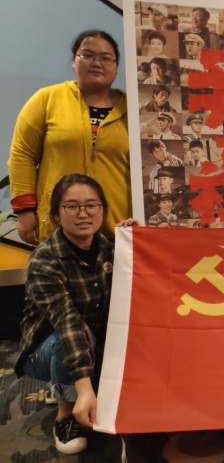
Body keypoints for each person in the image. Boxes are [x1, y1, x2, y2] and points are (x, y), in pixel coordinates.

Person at [14, 174, 138, 454]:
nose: (83, 214)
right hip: (46, 349)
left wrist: (134, 238)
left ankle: (65, 384)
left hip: (95, 342)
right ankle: (65, 416)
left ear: (102, 209)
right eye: (71, 206)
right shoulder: (44, 258)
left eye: (92, 205)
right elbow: (67, 323)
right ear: (56, 215)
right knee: (72, 337)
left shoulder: (111, 247)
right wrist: (83, 389)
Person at [8, 29, 131, 244]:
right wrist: (25, 210)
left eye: (106, 58)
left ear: (116, 67)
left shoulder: (136, 111)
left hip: (119, 227)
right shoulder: (47, 99)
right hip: (57, 226)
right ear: (74, 60)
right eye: (87, 55)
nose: (97, 63)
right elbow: (22, 155)